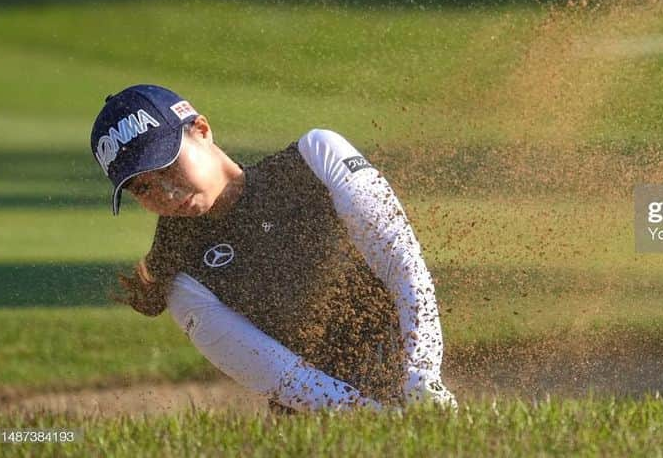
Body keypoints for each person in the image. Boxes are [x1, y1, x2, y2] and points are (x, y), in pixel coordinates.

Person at [91, 84, 457, 414]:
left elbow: (401, 264)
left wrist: (422, 375)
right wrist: (380, 420)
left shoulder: (315, 158)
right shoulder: (179, 275)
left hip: (406, 359)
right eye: (143, 188)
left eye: (167, 165)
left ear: (201, 130)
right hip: (318, 420)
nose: (165, 193)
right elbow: (285, 379)